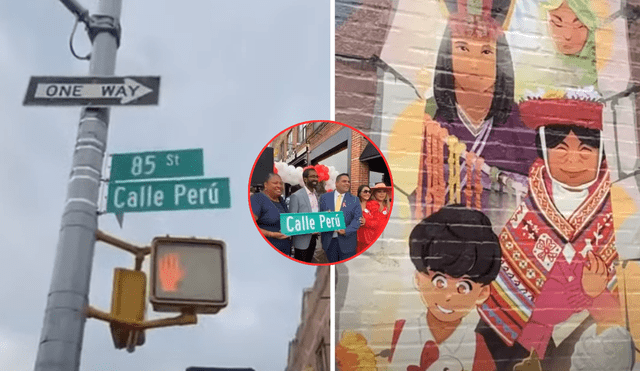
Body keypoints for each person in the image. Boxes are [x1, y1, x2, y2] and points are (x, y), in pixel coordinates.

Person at [477, 89, 627, 371]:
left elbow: (620, 313)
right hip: (511, 332)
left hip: (577, 340)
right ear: (544, 149)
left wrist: (593, 294)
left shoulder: (614, 213)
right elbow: (506, 280)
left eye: (585, 149)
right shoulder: (531, 208)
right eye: (560, 147)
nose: (572, 160)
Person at [336, 205, 502, 371]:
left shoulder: (476, 349)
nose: (449, 296)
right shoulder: (396, 333)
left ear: (482, 293)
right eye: (439, 282)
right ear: (419, 278)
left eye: (463, 287)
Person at [319, 173, 362, 263]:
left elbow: (358, 219)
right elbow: (319, 216)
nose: (347, 184)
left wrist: (346, 230)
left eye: (348, 182)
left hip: (347, 242)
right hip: (329, 241)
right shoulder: (324, 198)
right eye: (344, 181)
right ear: (336, 183)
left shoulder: (354, 200)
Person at [250, 173, 292, 256]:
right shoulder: (258, 199)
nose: (279, 186)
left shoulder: (281, 200)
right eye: (275, 183)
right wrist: (272, 234)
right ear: (266, 185)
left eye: (281, 183)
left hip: (285, 251)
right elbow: (249, 227)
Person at [289, 168, 320, 263]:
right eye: (312, 176)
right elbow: (292, 221)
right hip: (301, 241)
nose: (315, 179)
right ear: (305, 179)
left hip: (314, 239)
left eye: (316, 176)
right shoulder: (296, 196)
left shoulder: (316, 195)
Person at [357, 183, 392, 253]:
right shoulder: (369, 204)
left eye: (384, 191)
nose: (382, 194)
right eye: (379, 192)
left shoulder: (388, 206)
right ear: (374, 193)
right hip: (369, 240)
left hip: (384, 240)